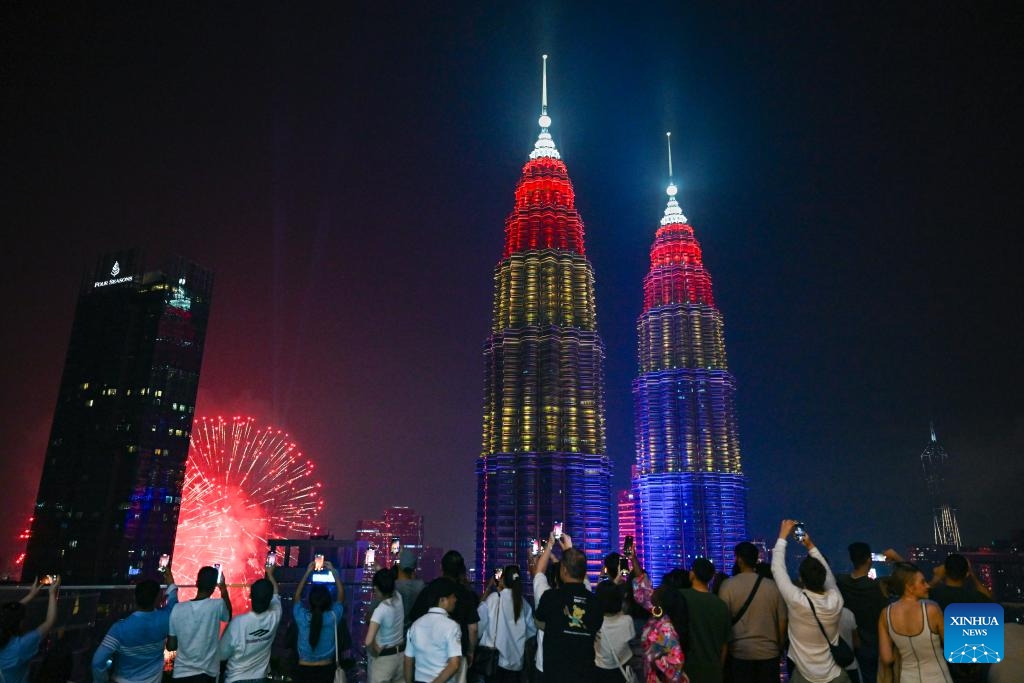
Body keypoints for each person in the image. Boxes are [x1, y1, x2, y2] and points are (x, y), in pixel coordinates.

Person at [771, 519, 849, 683]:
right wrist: (810, 545)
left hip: (804, 676)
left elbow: (777, 568)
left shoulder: (797, 600)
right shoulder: (837, 600)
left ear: (800, 578)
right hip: (834, 675)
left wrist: (783, 535)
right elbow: (828, 576)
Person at [93, 565, 178, 683]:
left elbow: (97, 662)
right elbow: (173, 602)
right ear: (157, 600)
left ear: (135, 598)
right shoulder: (165, 618)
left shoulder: (119, 629)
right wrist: (170, 580)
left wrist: (101, 680)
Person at [718, 541, 786, 683]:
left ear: (740, 560)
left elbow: (723, 623)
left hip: (740, 654)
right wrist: (779, 648)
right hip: (769, 654)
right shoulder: (772, 586)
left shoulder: (727, 586)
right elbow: (782, 622)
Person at [534, 547, 603, 682]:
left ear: (564, 570)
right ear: (584, 572)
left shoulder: (550, 598)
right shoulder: (595, 602)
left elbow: (539, 620)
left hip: (554, 675)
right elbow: (596, 626)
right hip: (585, 675)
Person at [410, 551, 478, 683]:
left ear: (441, 567)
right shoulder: (465, 593)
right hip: (457, 655)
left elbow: (414, 617)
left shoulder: (429, 589)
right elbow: (473, 628)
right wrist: (470, 651)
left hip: (426, 655)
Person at [878, 562, 951, 683]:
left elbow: (887, 658)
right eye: (922, 582)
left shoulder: (885, 614)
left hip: (906, 678)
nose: (927, 585)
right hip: (938, 677)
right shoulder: (931, 610)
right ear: (909, 587)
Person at [168, 566, 232, 683]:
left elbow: (171, 646)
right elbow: (228, 616)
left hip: (180, 673)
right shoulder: (217, 605)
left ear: (197, 583)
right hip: (207, 673)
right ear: (214, 587)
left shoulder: (177, 608)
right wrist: (223, 588)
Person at [219, 565, 282, 683]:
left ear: (250, 596)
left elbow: (222, 654)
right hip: (260, 678)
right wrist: (270, 574)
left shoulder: (238, 623)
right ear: (269, 599)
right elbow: (275, 593)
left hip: (235, 678)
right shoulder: (275, 616)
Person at [836, 543, 888, 683]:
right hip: (874, 644)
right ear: (868, 560)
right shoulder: (876, 588)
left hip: (850, 644)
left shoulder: (841, 582)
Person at [292, 559, 346, 683]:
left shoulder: (302, 617)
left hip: (303, 671)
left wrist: (307, 573)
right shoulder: (333, 616)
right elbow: (341, 597)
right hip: (326, 670)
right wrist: (333, 572)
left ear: (310, 601)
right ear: (328, 601)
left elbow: (296, 598)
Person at [478, 565, 535, 681]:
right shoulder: (524, 604)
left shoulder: (494, 598)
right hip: (516, 663)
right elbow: (532, 630)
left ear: (502, 579)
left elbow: (478, 621)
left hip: (495, 662)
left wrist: (489, 588)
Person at [1, 576, 60, 683]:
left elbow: (10, 615)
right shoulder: (20, 646)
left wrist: (31, 595)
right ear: (20, 623)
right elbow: (49, 622)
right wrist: (52, 593)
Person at [681, 558, 731, 683]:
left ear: (692, 574)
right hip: (713, 672)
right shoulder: (721, 605)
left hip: (686, 671)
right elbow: (725, 645)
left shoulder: (681, 597)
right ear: (711, 577)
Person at [405, 578, 462, 683]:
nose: (455, 600)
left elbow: (408, 659)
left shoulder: (415, 625)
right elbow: (454, 664)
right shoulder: (452, 626)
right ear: (442, 600)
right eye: (453, 597)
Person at [641, 584, 688, 683]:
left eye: (656, 592)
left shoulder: (666, 629)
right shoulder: (659, 617)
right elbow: (643, 597)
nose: (653, 592)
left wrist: (655, 662)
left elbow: (677, 662)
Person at [365, 568, 405, 683]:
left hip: (383, 661)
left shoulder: (381, 610)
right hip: (400, 657)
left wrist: (374, 652)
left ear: (376, 588)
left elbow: (368, 641)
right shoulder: (398, 598)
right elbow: (389, 581)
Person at [594, 580, 636, 683]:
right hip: (621, 669)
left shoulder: (594, 621)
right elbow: (631, 639)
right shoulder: (627, 621)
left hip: (600, 670)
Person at [395, 550, 425, 630]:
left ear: (399, 566)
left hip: (396, 631)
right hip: (414, 630)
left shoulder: (394, 586)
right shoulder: (421, 585)